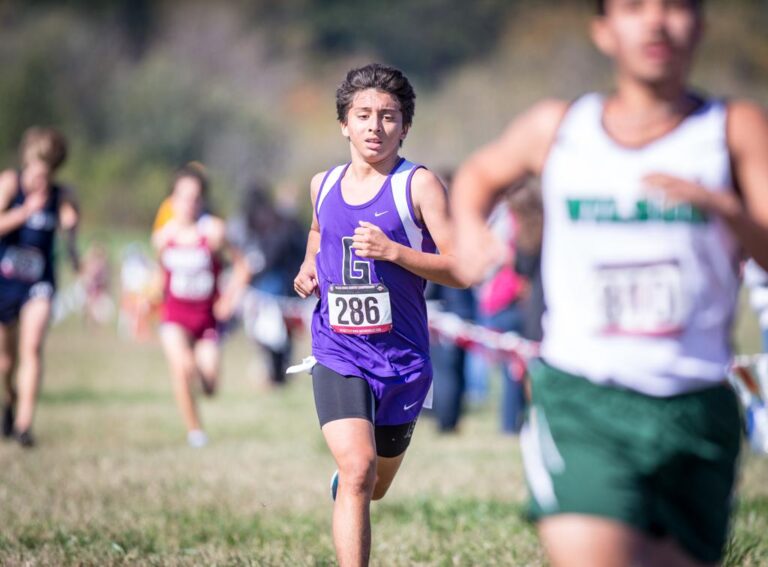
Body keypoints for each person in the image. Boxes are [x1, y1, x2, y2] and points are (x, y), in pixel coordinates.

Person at [451, 1, 768, 565]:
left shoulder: (733, 129)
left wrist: (724, 207)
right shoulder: (559, 127)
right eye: (633, 7)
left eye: (674, 6)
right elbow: (477, 175)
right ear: (603, 30)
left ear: (700, 24)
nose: (655, 22)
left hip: (692, 404)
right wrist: (470, 230)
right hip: (583, 400)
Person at [293, 63, 466, 567]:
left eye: (389, 116)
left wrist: (395, 253)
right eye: (363, 115)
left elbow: (461, 268)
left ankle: (352, 483)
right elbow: (319, 232)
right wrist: (309, 266)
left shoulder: (420, 186)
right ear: (344, 123)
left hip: (403, 360)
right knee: (359, 469)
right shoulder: (322, 184)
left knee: (375, 485)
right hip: (338, 348)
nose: (375, 126)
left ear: (405, 126)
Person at [153, 163, 249, 447]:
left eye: (195, 197)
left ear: (203, 200)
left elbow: (242, 268)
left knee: (209, 384)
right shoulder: (163, 237)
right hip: (174, 316)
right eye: (182, 197)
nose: (189, 204)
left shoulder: (215, 231)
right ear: (171, 200)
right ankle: (195, 431)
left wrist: (229, 300)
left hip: (206, 319)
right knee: (182, 367)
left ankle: (203, 390)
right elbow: (161, 273)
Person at [0, 126, 80, 448]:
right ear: (26, 162)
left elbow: (70, 223)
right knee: (4, 361)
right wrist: (23, 212)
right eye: (35, 172)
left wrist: (73, 238)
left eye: (46, 174)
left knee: (32, 348)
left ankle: (24, 425)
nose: (39, 180)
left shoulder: (61, 195)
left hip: (39, 283)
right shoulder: (9, 183)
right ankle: (9, 399)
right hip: (4, 282)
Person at [228, 183, 306, 386]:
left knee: (276, 335)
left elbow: (273, 257)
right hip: (276, 289)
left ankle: (277, 373)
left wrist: (253, 273)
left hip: (277, 290)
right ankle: (275, 373)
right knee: (273, 335)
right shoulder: (280, 223)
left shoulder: (282, 226)